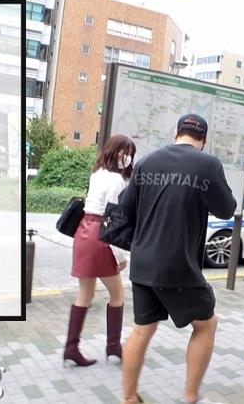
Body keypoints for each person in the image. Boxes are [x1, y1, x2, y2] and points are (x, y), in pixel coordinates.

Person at [119, 114, 236, 404]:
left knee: (142, 330)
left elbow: (126, 208)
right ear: (203, 139)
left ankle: (129, 397)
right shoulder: (207, 164)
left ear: (176, 133)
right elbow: (226, 209)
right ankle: (190, 396)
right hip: (179, 264)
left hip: (143, 262)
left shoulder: (147, 161)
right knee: (206, 325)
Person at [64, 135, 136, 367]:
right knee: (117, 294)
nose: (127, 157)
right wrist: (121, 256)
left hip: (83, 232)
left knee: (85, 294)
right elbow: (114, 220)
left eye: (130, 154)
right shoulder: (117, 180)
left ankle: (71, 348)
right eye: (125, 152)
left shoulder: (96, 174)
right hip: (101, 235)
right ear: (114, 152)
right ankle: (113, 347)